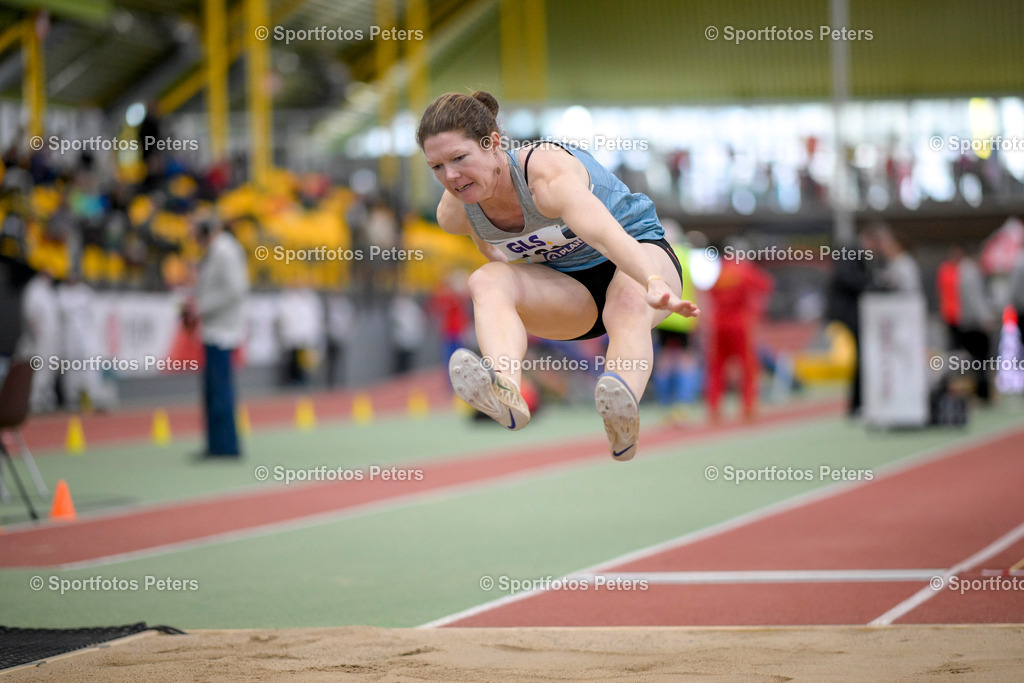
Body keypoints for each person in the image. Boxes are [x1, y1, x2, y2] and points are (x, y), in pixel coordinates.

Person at [417, 91, 698, 460]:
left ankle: (621, 414)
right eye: (436, 167)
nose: (450, 176)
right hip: (571, 293)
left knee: (625, 301)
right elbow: (484, 241)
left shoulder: (545, 176)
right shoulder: (454, 213)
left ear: (493, 144)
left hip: (635, 256)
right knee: (485, 279)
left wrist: (653, 282)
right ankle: (506, 388)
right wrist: (497, 262)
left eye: (459, 158)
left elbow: (607, 237)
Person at [194, 217, 248, 458]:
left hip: (222, 331)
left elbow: (235, 290)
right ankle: (217, 444)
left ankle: (225, 445)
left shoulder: (225, 251)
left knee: (220, 391)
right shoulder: (218, 251)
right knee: (213, 390)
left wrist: (201, 308)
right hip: (215, 329)